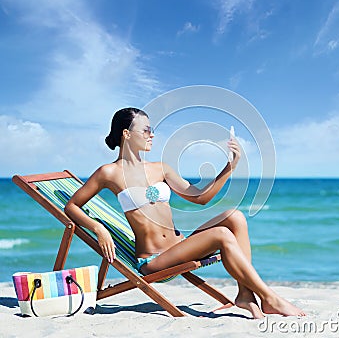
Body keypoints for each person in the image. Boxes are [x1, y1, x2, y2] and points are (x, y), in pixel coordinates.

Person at [65, 107, 305, 319]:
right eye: (146, 130)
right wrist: (99, 229)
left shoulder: (160, 169)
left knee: (234, 216)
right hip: (154, 261)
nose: (152, 135)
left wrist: (230, 167)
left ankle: (245, 295)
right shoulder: (109, 173)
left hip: (179, 246)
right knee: (222, 234)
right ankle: (269, 297)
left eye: (152, 130)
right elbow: (72, 206)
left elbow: (200, 198)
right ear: (126, 134)